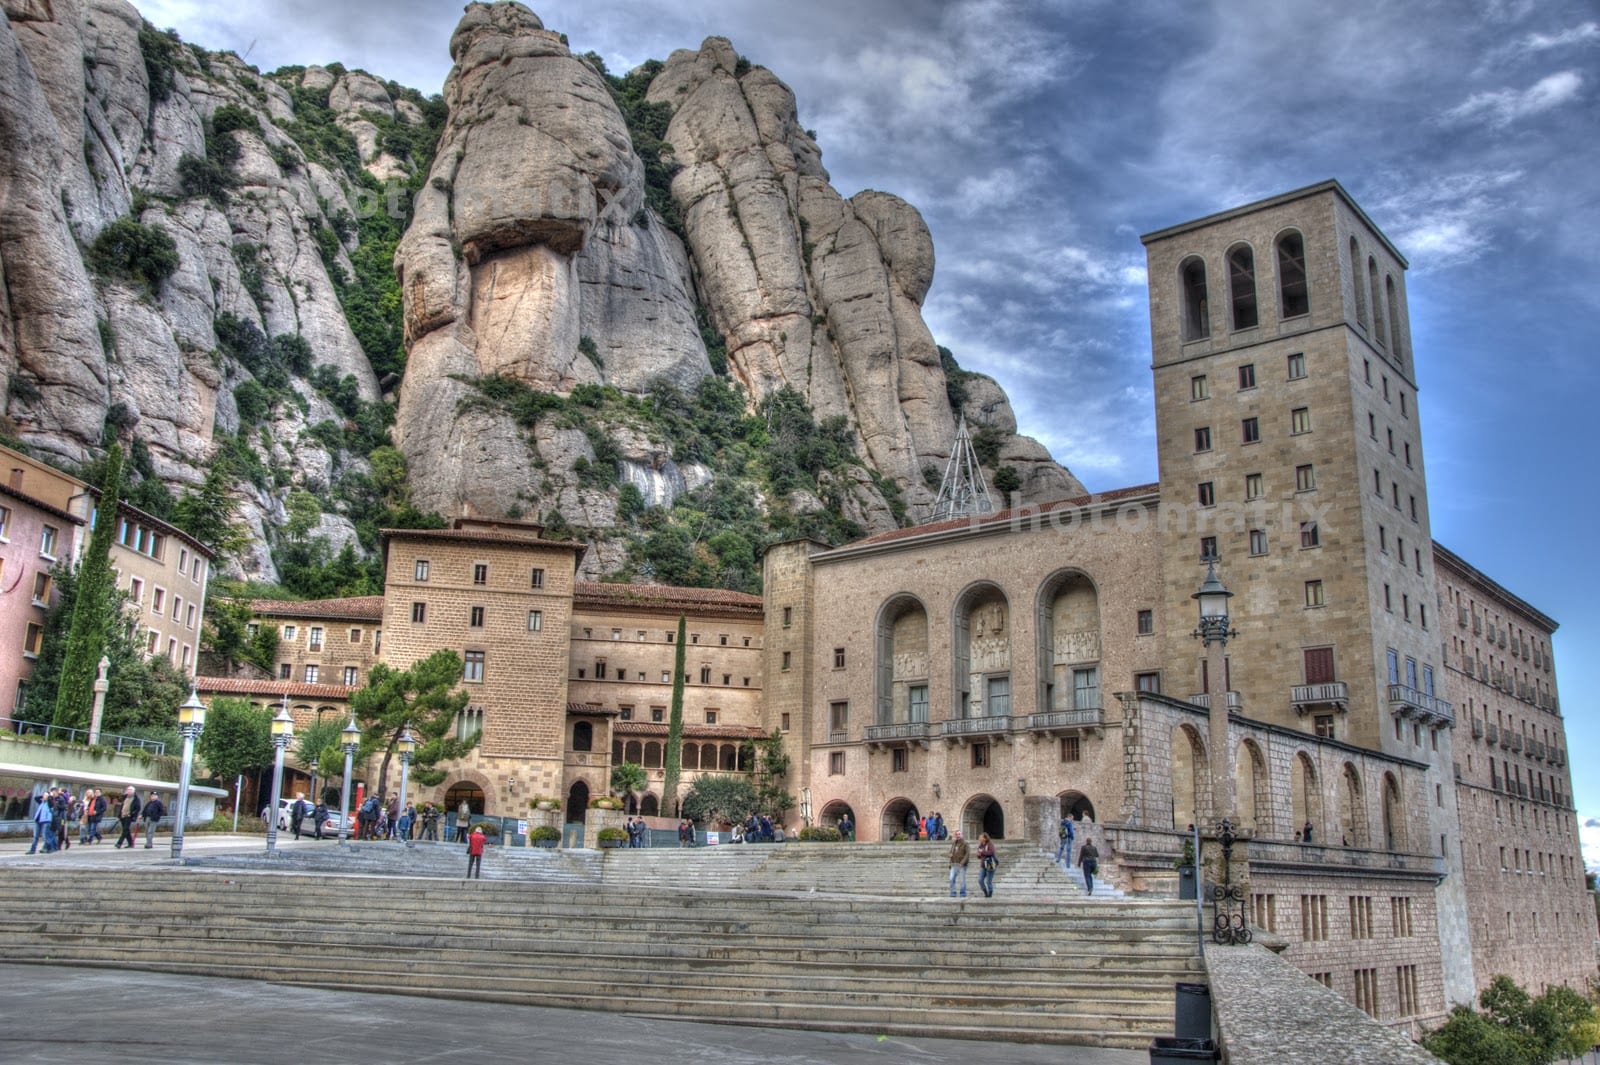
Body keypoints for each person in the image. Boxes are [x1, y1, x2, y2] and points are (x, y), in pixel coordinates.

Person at [948, 830, 969, 897]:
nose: (958, 835)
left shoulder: (965, 843)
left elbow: (967, 854)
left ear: (962, 835)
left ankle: (963, 893)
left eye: (959, 834)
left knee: (962, 879)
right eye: (957, 834)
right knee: (951, 878)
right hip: (954, 864)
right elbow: (951, 851)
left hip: (961, 864)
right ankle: (953, 892)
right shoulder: (954, 843)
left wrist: (962, 862)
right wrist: (950, 855)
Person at [977, 832, 998, 897]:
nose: (980, 838)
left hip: (990, 863)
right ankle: (985, 892)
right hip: (983, 865)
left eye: (981, 837)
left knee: (989, 881)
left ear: (985, 838)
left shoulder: (989, 844)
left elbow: (992, 852)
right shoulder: (980, 845)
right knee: (980, 880)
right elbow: (979, 855)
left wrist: (982, 852)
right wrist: (978, 855)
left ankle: (990, 893)